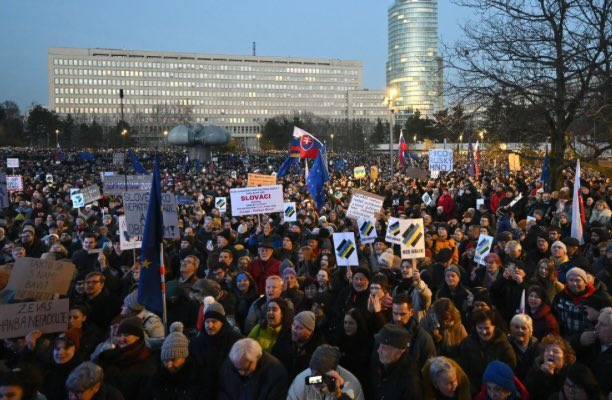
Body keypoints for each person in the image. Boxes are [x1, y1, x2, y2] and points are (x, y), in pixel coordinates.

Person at [188, 302, 243, 397]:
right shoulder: (196, 342)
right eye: (207, 321)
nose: (210, 325)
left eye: (214, 321)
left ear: (222, 322)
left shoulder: (235, 341)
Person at [97, 317, 158, 400]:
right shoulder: (108, 356)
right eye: (119, 335)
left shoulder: (148, 361)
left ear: (138, 337)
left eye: (126, 335)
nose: (121, 339)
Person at [459, 309, 517, 395]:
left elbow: (510, 369)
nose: (483, 332)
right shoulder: (467, 343)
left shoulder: (504, 346)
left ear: (494, 326)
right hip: (474, 390)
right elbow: (464, 370)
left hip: (497, 391)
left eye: (487, 328)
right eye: (480, 328)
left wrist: (492, 390)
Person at [144, 322, 201, 400]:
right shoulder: (157, 378)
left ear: (185, 356)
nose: (169, 365)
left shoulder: (197, 377)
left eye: (173, 359)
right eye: (165, 360)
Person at [217, 338, 289, 400]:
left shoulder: (276, 372)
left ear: (256, 358)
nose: (241, 373)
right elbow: (223, 390)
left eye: (245, 369)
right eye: (237, 369)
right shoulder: (232, 362)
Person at [287, 344, 365, 400]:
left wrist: (339, 396)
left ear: (332, 372)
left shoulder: (351, 385)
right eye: (312, 370)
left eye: (317, 373)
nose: (312, 376)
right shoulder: (301, 380)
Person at [367, 323, 423, 400]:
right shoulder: (384, 362)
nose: (378, 350)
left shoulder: (410, 382)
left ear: (400, 351)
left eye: (384, 348)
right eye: (379, 345)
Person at [271, 310, 326, 381]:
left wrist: (304, 382)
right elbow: (273, 361)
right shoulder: (283, 340)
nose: (294, 330)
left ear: (310, 331)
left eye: (299, 328)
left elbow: (322, 378)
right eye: (293, 325)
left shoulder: (319, 351)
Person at [391, 293, 435, 369]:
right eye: (395, 313)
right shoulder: (386, 333)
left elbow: (429, 369)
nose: (398, 318)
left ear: (411, 312)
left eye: (402, 314)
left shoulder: (423, 338)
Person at [508, 313, 539, 381]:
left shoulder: (538, 348)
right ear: (511, 329)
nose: (520, 330)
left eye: (524, 328)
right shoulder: (506, 346)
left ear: (530, 330)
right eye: (516, 327)